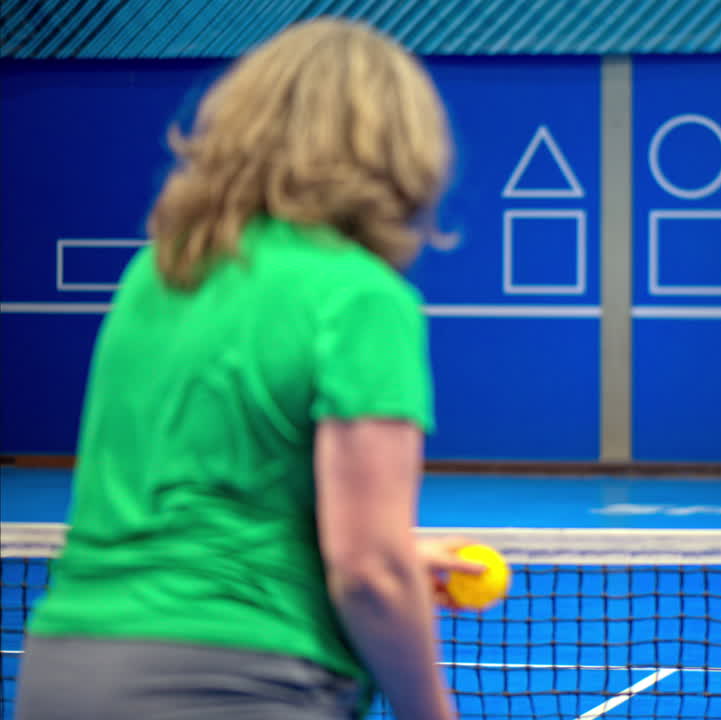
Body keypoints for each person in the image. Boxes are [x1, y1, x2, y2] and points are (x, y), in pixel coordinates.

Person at [16, 19, 483, 720]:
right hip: (241, 682)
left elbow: (198, 505)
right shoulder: (361, 298)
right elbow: (368, 573)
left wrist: (393, 561)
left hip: (63, 671)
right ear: (398, 149)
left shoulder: (158, 273)